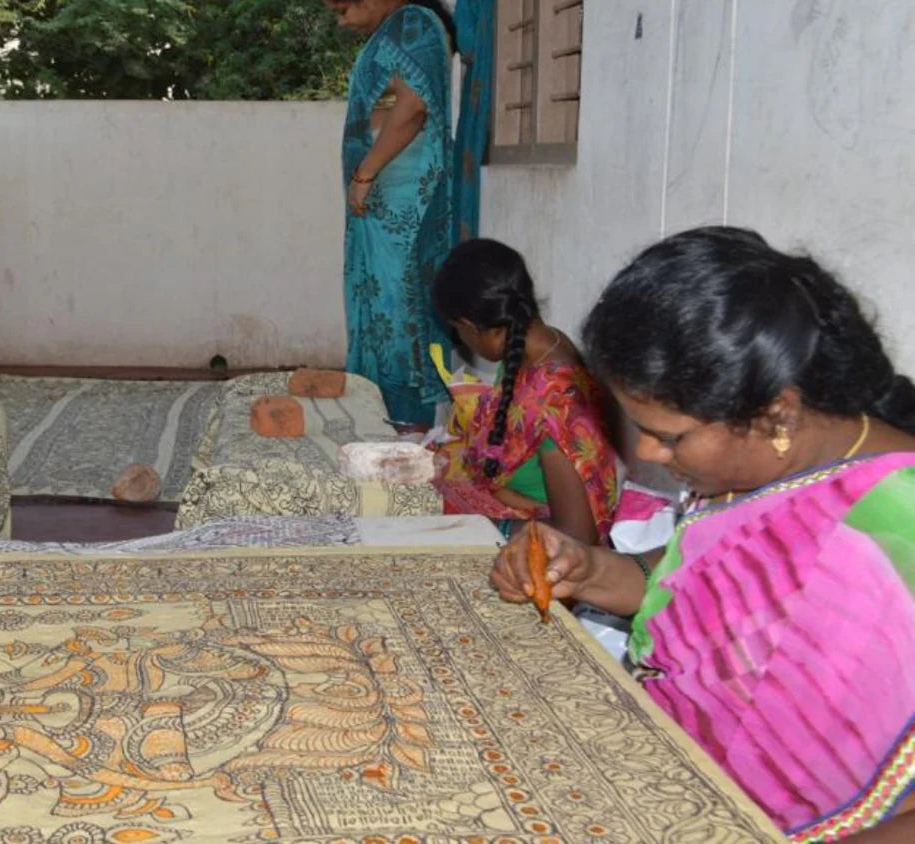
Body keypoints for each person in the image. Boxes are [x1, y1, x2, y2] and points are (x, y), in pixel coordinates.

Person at [491, 227, 915, 842]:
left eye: (670, 437)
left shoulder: (895, 529)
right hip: (669, 778)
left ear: (776, 414)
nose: (648, 453)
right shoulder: (764, 469)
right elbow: (694, 590)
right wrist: (588, 569)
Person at [430, 239, 619, 545]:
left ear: (469, 325)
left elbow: (577, 535)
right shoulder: (537, 346)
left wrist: (488, 527)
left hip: (546, 535)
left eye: (457, 329)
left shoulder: (555, 398)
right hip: (510, 503)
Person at [329, 0, 458, 426]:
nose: (342, 21)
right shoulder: (400, 28)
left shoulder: (412, 23)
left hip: (402, 206)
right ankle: (389, 424)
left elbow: (413, 104)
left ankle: (406, 430)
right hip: (386, 206)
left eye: (343, 8)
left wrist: (365, 172)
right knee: (383, 315)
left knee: (399, 316)